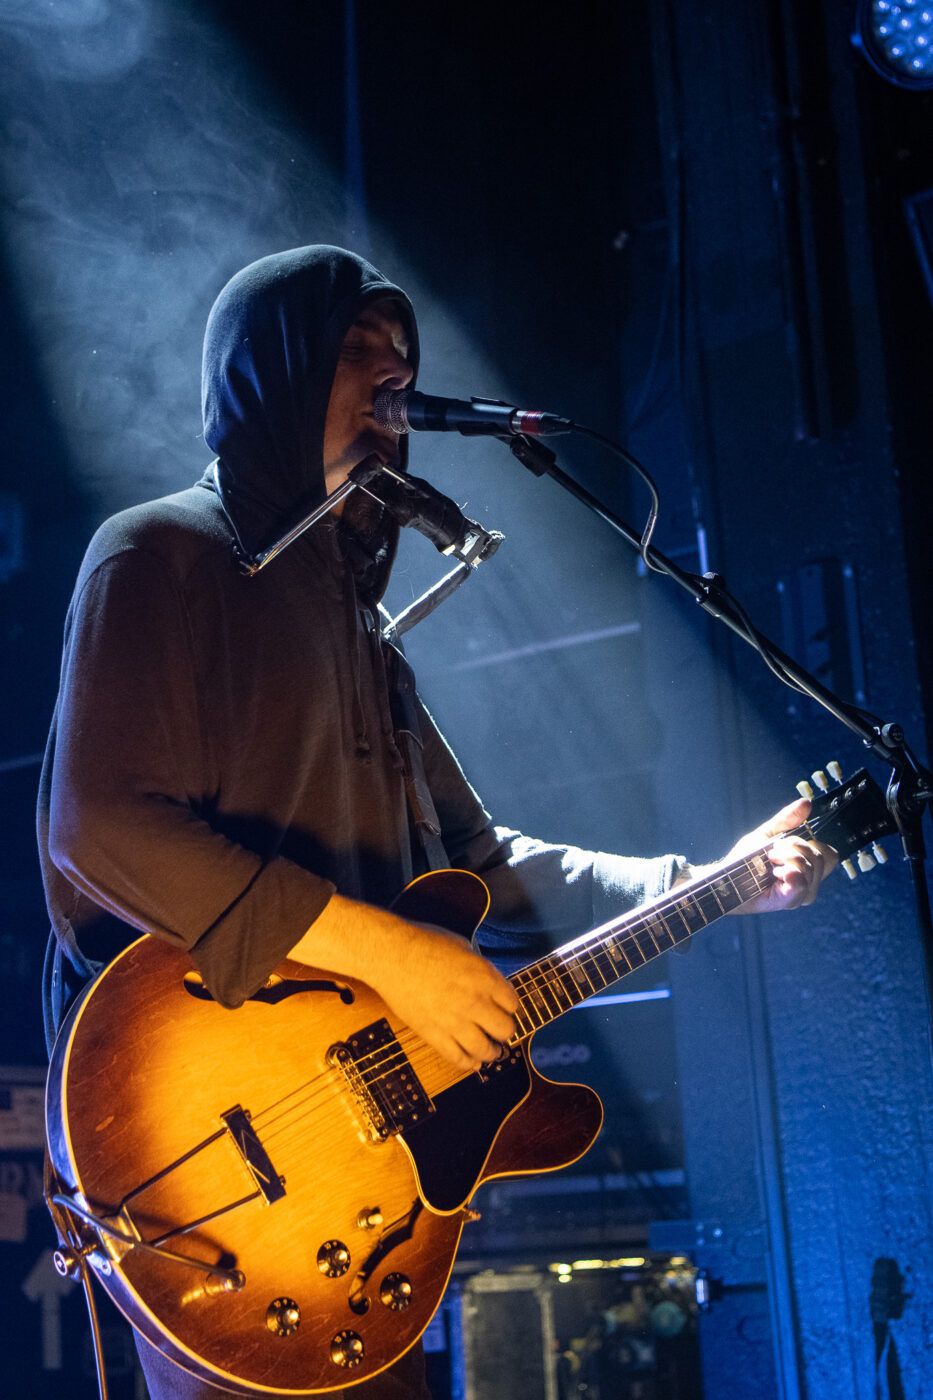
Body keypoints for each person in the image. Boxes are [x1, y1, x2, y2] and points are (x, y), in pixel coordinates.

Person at [37, 245, 835, 1399]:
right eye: (359, 351)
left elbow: (488, 864)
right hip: (207, 1142)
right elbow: (100, 829)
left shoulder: (368, 639)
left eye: (405, 361)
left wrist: (707, 875)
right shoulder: (162, 553)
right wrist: (391, 952)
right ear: (271, 372)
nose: (394, 383)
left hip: (354, 1184)